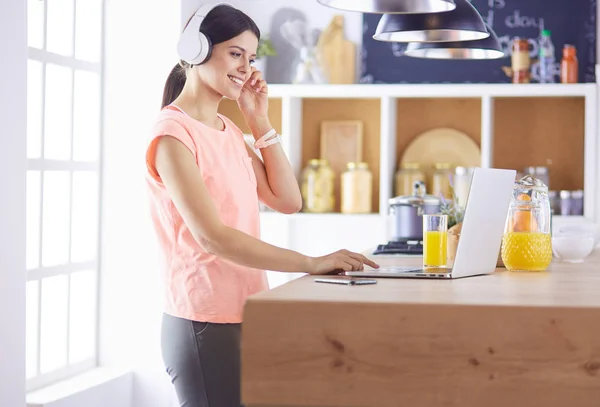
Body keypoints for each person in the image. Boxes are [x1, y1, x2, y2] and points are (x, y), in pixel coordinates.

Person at [145, 4, 380, 406]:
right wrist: (310, 262)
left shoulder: (228, 130)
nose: (246, 67)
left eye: (251, 58)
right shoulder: (172, 135)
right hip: (202, 319)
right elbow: (213, 237)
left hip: (245, 310)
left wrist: (259, 122)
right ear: (196, 49)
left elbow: (288, 200)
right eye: (236, 54)